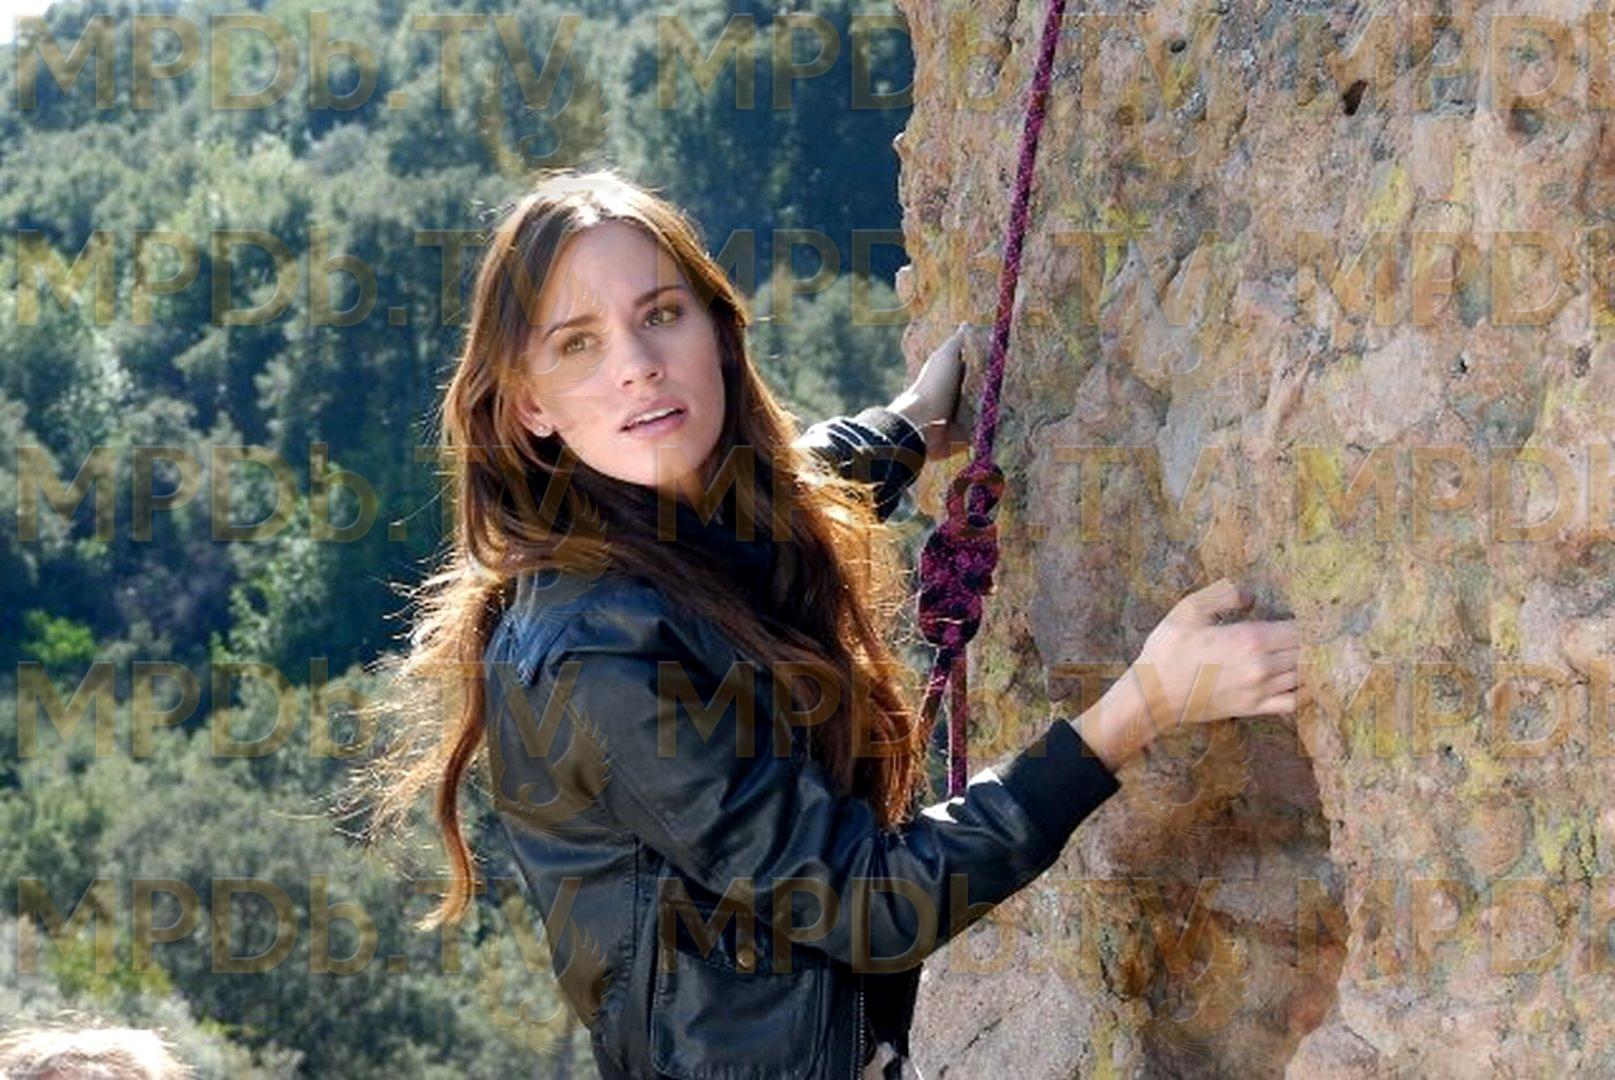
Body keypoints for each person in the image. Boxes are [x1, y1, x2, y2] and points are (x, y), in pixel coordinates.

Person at [363, 167, 1300, 1078]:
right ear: (528, 404)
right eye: (578, 344)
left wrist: (905, 428)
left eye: (660, 315)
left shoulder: (662, 529)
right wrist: (1140, 707)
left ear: (715, 331)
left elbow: (771, 504)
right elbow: (870, 901)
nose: (637, 366)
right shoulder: (600, 661)